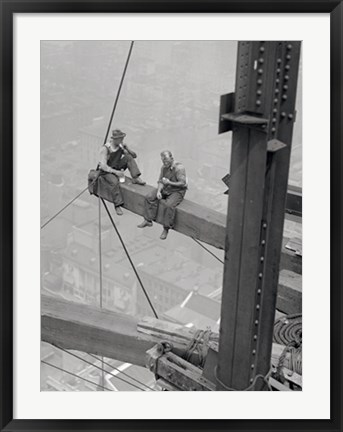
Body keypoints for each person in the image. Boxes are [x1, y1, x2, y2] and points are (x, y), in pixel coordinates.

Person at [138, 150, 187, 240]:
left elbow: (182, 183)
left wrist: (169, 182)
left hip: (177, 191)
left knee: (169, 205)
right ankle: (148, 220)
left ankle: (166, 228)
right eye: (163, 161)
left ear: (171, 158)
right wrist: (159, 191)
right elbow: (161, 181)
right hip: (166, 188)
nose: (165, 163)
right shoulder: (164, 167)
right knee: (149, 197)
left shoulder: (179, 168)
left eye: (167, 161)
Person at [97, 129, 146, 215]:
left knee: (128, 157)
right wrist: (116, 172)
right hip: (107, 171)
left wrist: (127, 148)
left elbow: (134, 156)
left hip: (116, 167)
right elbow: (103, 166)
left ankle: (135, 178)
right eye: (120, 139)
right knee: (114, 182)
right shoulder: (106, 148)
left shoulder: (120, 146)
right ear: (115, 139)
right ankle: (117, 204)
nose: (122, 140)